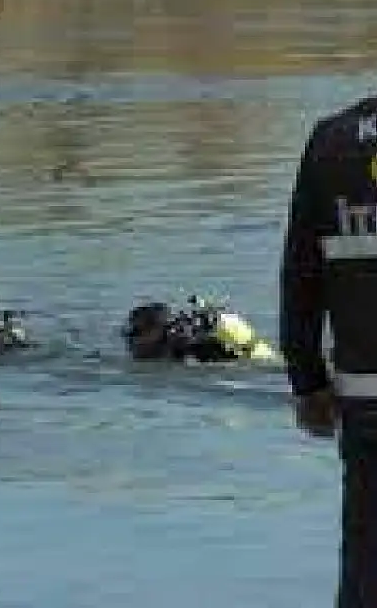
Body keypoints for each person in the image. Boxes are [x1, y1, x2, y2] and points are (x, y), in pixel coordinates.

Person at [280, 96, 377, 608]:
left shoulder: (332, 141)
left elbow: (301, 275)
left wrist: (308, 382)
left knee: (365, 569)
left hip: (365, 403)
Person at [123, 296, 279, 363]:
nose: (131, 342)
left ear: (154, 331)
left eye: (135, 333)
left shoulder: (195, 348)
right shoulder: (177, 337)